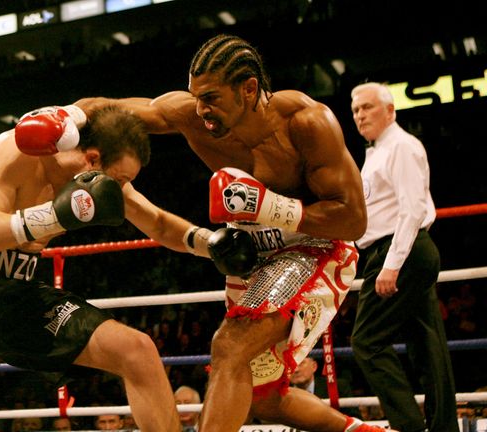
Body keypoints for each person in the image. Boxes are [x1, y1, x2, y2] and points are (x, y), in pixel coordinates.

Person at [0, 104, 250, 432]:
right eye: (121, 178)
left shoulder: (101, 180)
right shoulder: (16, 151)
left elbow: (158, 223)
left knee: (137, 350)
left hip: (17, 290)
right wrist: (56, 217)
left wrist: (207, 242)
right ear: (92, 158)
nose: (122, 189)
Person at [75, 34, 390, 432]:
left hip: (314, 249)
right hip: (251, 255)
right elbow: (110, 110)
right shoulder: (194, 115)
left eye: (211, 97)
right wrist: (64, 118)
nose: (201, 109)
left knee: (230, 345)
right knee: (265, 397)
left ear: (249, 88)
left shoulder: (306, 123)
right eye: (196, 96)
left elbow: (353, 220)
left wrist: (272, 207)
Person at [349, 82, 458, 432]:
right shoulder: (379, 151)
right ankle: (443, 428)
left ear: (390, 110)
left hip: (401, 251)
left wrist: (391, 265)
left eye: (367, 107)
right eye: (355, 110)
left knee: (366, 341)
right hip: (398, 250)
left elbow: (412, 210)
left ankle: (408, 426)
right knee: (428, 346)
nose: (360, 115)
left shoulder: (402, 147)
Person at [289, 356, 361, 418]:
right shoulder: (280, 393)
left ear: (314, 366)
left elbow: (355, 420)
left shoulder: (338, 387)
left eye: (301, 363)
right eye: (290, 364)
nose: (296, 370)